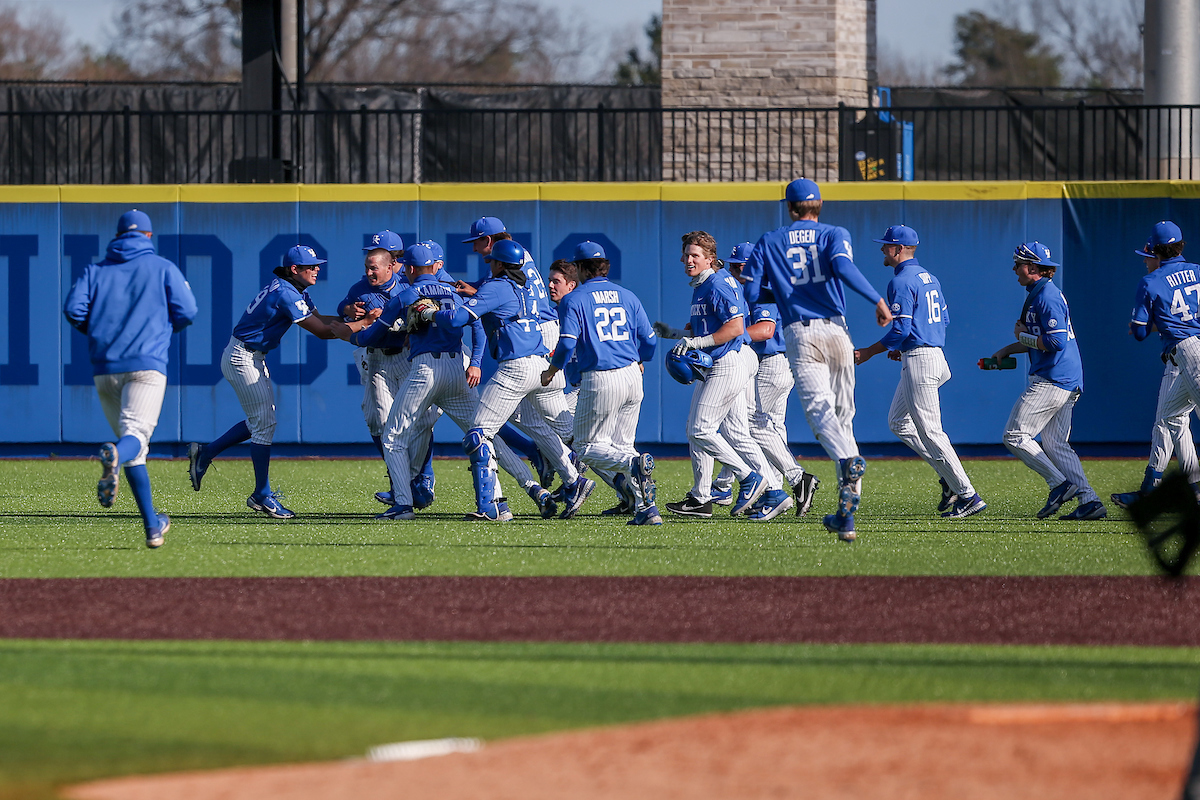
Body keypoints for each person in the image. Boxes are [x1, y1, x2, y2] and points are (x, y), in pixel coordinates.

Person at [340, 244, 556, 520]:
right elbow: (476, 325)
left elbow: (371, 336)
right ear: (435, 267)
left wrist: (351, 336)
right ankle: (530, 490)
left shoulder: (406, 295)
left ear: (410, 268)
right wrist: (475, 361)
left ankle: (403, 504)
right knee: (486, 436)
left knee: (393, 437)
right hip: (457, 369)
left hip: (425, 370)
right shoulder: (454, 292)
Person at [187, 245, 376, 518]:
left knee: (260, 421)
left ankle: (206, 453)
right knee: (265, 424)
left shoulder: (292, 288)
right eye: (310, 266)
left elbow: (320, 319)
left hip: (249, 355)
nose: (317, 269)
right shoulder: (287, 293)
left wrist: (351, 319)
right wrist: (367, 323)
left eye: (317, 264)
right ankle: (261, 495)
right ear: (294, 270)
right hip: (243, 357)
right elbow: (322, 332)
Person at [418, 238, 594, 521]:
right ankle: (579, 480)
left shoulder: (497, 286)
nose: (490, 265)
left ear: (499, 264)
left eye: (492, 262)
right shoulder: (525, 288)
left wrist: (430, 313)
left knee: (478, 435)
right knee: (556, 431)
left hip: (517, 368)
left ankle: (491, 508)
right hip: (540, 366)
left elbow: (456, 320)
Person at [63, 209, 197, 548]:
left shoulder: (96, 270)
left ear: (119, 236)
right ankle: (114, 455)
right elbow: (187, 311)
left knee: (133, 445)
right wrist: (163, 330)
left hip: (105, 368)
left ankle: (153, 527)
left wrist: (98, 335)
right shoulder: (163, 267)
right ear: (148, 237)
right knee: (134, 439)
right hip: (146, 365)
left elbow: (73, 309)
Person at [853, 225, 986, 519]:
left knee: (931, 432)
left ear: (899, 249)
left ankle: (968, 495)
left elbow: (900, 328)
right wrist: (907, 344)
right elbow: (942, 320)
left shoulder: (901, 280)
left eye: (886, 245)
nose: (882, 250)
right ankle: (949, 478)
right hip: (932, 355)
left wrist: (868, 352)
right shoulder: (929, 277)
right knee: (898, 422)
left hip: (922, 361)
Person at [540, 242, 662, 526]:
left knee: (584, 447)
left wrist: (552, 369)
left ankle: (632, 466)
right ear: (605, 266)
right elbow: (651, 341)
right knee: (622, 443)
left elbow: (567, 343)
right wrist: (641, 359)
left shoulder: (575, 299)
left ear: (581, 269)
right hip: (633, 373)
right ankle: (646, 509)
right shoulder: (627, 296)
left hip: (601, 376)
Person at [660, 230, 774, 519]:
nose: (688, 260)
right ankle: (701, 498)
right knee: (696, 430)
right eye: (686, 254)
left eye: (695, 255)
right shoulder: (702, 284)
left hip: (728, 362)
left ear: (710, 258)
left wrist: (696, 343)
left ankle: (749, 478)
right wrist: (673, 333)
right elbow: (702, 329)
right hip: (718, 362)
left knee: (702, 429)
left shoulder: (718, 283)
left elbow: (735, 327)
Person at [989, 241, 1106, 520]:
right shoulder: (1039, 292)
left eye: (1019, 264)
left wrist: (1020, 338)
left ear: (1032, 268)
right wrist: (1009, 349)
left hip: (1054, 377)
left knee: (1015, 436)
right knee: (1055, 444)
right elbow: (1040, 340)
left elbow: (1054, 342)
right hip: (1066, 377)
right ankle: (1089, 501)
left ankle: (1059, 484)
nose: (1015, 268)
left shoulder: (1047, 296)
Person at [711, 242, 818, 520]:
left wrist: (731, 334)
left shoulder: (763, 289)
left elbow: (766, 330)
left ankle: (791, 481)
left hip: (773, 362)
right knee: (769, 428)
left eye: (739, 266)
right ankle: (768, 489)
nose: (734, 270)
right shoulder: (751, 289)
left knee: (752, 425)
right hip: (776, 362)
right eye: (732, 265)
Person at [1113, 221, 1200, 508]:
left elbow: (1138, 331)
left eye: (1148, 253)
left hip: (1190, 353)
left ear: (1157, 251)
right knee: (1170, 416)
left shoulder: (1151, 281)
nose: (1145, 258)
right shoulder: (1198, 271)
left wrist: (1150, 324)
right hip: (1189, 350)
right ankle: (1158, 488)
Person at [337, 230, 409, 505]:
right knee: (380, 420)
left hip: (405, 355)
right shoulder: (360, 289)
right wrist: (348, 310)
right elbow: (344, 305)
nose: (369, 272)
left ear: (391, 266)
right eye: (367, 267)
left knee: (418, 421)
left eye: (374, 267)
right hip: (377, 358)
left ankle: (422, 479)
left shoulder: (406, 285)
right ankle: (398, 479)